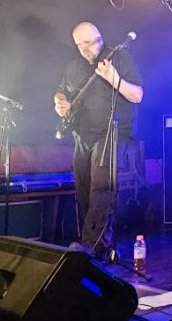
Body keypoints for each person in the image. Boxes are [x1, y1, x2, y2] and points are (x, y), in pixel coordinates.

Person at [54, 22, 143, 262]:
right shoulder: (73, 67)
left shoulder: (119, 58)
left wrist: (114, 79)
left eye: (88, 42)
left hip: (111, 133)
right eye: (79, 44)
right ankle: (91, 243)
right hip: (82, 135)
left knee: (102, 190)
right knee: (83, 190)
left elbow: (138, 95)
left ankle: (94, 247)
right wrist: (60, 103)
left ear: (99, 38)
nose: (84, 48)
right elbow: (61, 92)